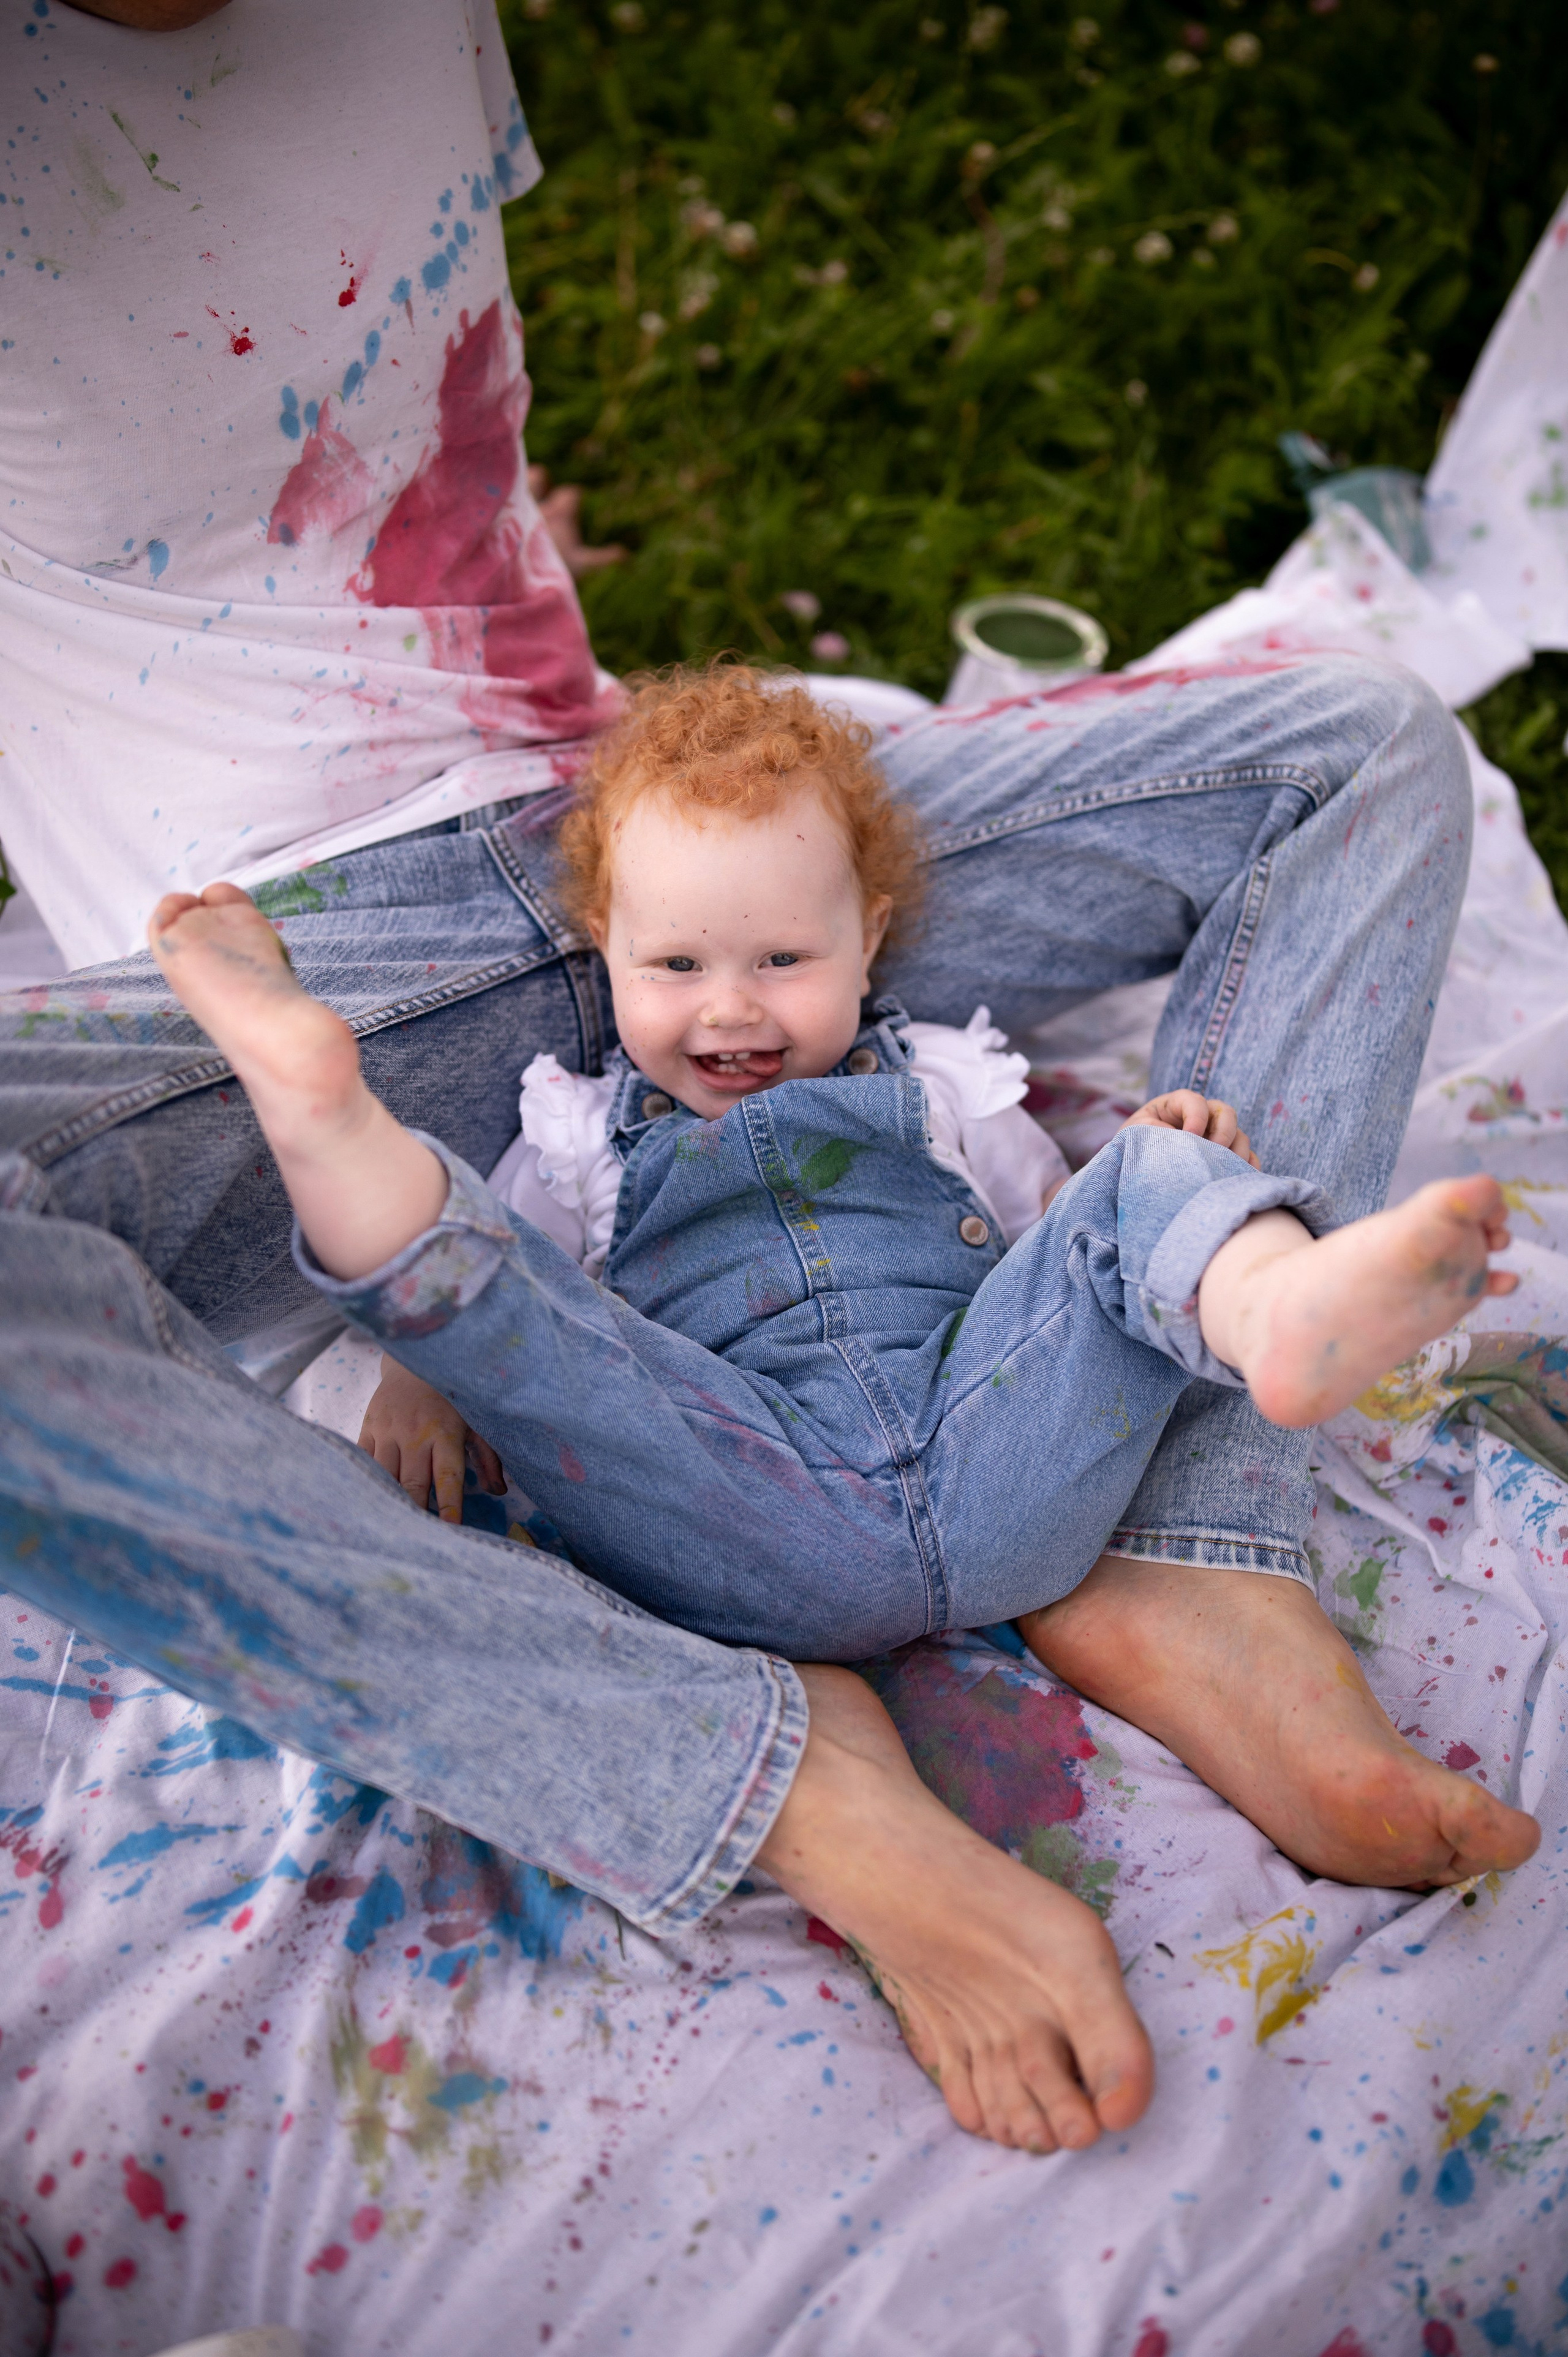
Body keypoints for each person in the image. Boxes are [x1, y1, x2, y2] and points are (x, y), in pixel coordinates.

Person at [0, 0, 1515, 2158]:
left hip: (658, 869)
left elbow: (397, 430)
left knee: (1349, 743)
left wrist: (697, 834)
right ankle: (756, 1762)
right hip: (311, 949)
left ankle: (1186, 1531)